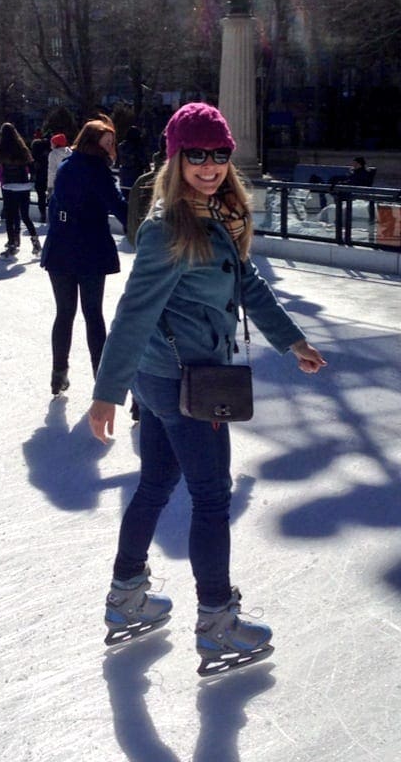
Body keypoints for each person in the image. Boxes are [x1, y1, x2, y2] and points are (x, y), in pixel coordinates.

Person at [88, 102, 327, 674]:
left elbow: (250, 287)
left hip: (171, 376)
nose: (210, 165)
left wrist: (291, 342)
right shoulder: (169, 227)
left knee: (156, 482)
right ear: (175, 158)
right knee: (213, 498)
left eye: (219, 154)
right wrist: (106, 392)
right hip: (186, 382)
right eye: (196, 154)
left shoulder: (213, 215)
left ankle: (126, 598)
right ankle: (217, 623)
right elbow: (132, 314)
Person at [40, 119, 128, 396]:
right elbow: (118, 206)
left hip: (61, 247)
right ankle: (99, 378)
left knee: (64, 313)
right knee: (93, 314)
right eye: (107, 142)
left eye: (112, 142)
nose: (111, 147)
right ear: (93, 141)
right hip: (89, 249)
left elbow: (55, 206)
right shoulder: (96, 169)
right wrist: (142, 225)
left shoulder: (67, 165)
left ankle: (58, 374)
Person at [0, 122, 40, 258]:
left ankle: (12, 244)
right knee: (25, 216)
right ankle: (35, 242)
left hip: (9, 186)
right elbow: (32, 166)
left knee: (10, 217)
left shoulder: (1, 150)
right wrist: (31, 180)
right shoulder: (22, 149)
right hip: (23, 186)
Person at [117, 125, 147, 198]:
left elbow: (118, 160)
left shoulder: (121, 146)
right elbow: (144, 161)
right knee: (135, 200)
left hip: (123, 176)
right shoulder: (138, 147)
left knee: (125, 197)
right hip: (136, 176)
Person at [30, 129, 51, 222]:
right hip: (50, 173)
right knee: (51, 195)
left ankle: (42, 214)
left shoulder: (36, 146)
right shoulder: (50, 149)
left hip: (39, 173)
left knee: (40, 196)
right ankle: (51, 213)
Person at [46, 133, 71, 198]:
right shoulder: (71, 152)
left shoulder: (53, 154)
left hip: (58, 183)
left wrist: (50, 186)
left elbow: (52, 171)